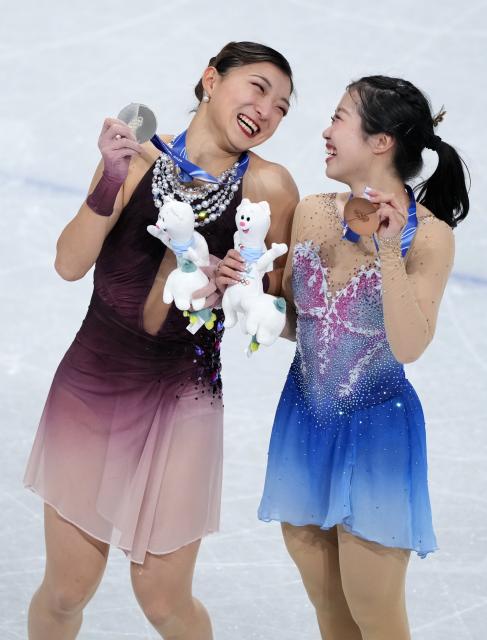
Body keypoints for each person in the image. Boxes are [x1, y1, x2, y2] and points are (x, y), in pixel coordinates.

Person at [24, 41, 299, 640]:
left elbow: (283, 318)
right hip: (95, 381)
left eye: (282, 106)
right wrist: (110, 181)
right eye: (257, 87)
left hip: (184, 395)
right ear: (210, 79)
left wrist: (247, 286)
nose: (267, 110)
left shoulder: (271, 189)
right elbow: (69, 265)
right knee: (68, 590)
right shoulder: (137, 158)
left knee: (163, 603)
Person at [258, 75, 470, 640]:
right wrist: (242, 299)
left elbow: (409, 346)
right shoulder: (312, 210)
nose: (325, 132)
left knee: (376, 617)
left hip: (377, 434)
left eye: (339, 119)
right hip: (304, 424)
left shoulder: (429, 237)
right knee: (329, 609)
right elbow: (301, 326)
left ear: (381, 142)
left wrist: (388, 255)